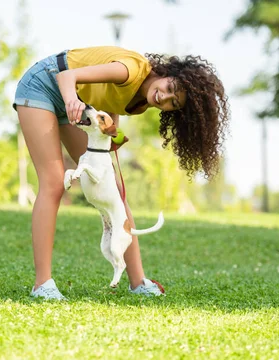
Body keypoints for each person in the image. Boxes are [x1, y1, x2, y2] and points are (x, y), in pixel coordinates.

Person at [13, 46, 230, 300]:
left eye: (173, 103)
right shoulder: (131, 69)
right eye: (170, 88)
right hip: (44, 84)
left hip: (73, 100)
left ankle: (138, 282)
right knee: (53, 182)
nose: (165, 98)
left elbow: (110, 98)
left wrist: (111, 133)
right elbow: (66, 77)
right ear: (168, 73)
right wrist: (72, 101)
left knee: (113, 188)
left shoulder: (143, 100)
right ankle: (42, 285)